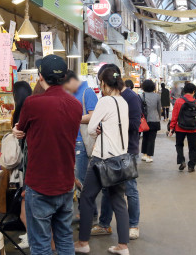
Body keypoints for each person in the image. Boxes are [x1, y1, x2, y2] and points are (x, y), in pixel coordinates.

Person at [13, 55, 82, 255]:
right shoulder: (75, 105)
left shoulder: (33, 103)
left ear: (41, 77)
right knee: (64, 238)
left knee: (41, 244)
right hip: (66, 183)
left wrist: (16, 131)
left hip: (40, 184)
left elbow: (21, 128)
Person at [75, 67, 130, 255]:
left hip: (102, 159)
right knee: (119, 201)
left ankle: (83, 243)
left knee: (87, 198)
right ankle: (123, 246)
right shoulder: (123, 102)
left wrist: (97, 129)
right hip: (121, 158)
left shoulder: (105, 101)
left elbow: (91, 129)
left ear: (104, 83)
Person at [92, 64, 142, 240]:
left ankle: (133, 224)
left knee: (130, 190)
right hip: (109, 152)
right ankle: (105, 224)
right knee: (108, 189)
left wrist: (111, 124)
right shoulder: (106, 98)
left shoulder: (130, 97)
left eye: (102, 83)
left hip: (127, 151)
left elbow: (136, 125)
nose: (101, 87)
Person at [63, 71, 98, 187]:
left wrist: (72, 119)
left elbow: (93, 116)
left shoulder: (87, 92)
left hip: (81, 141)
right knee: (71, 178)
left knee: (80, 179)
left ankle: (83, 202)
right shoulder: (70, 93)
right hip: (69, 140)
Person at [11, 81, 33, 249]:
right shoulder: (33, 108)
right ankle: (31, 234)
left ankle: (31, 236)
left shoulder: (20, 113)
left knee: (26, 201)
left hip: (27, 165)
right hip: (33, 163)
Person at [168, 83, 196, 172]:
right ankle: (191, 166)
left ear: (184, 91)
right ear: (193, 92)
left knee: (179, 145)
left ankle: (182, 161)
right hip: (193, 128)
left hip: (180, 127)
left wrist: (171, 128)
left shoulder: (179, 101)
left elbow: (175, 116)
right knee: (192, 147)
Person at [140, 80, 161, 163]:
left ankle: (144, 154)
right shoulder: (157, 96)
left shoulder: (141, 96)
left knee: (145, 137)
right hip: (154, 119)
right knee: (152, 138)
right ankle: (149, 156)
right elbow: (159, 108)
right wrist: (159, 116)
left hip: (145, 120)